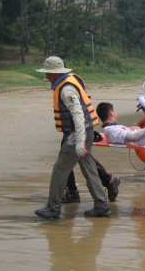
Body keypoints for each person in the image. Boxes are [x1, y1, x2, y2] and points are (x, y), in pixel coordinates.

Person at [34, 56, 111, 219]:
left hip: (78, 133)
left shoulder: (66, 89)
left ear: (54, 74)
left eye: (47, 73)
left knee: (60, 169)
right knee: (89, 167)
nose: (46, 77)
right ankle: (101, 205)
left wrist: (79, 141)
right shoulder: (68, 82)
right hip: (87, 131)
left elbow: (78, 115)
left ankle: (53, 208)